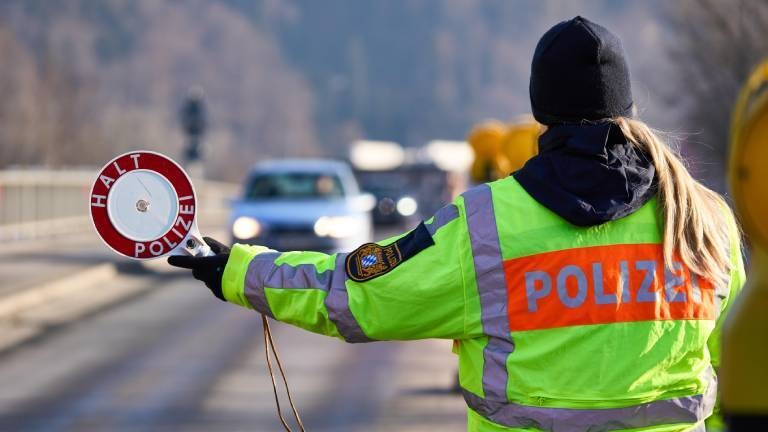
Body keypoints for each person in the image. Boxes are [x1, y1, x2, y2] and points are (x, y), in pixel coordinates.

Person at [170, 16, 744, 432]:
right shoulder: (703, 221)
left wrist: (237, 270)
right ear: (628, 107)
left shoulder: (488, 224)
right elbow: (735, 367)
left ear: (540, 111)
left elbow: (357, 296)